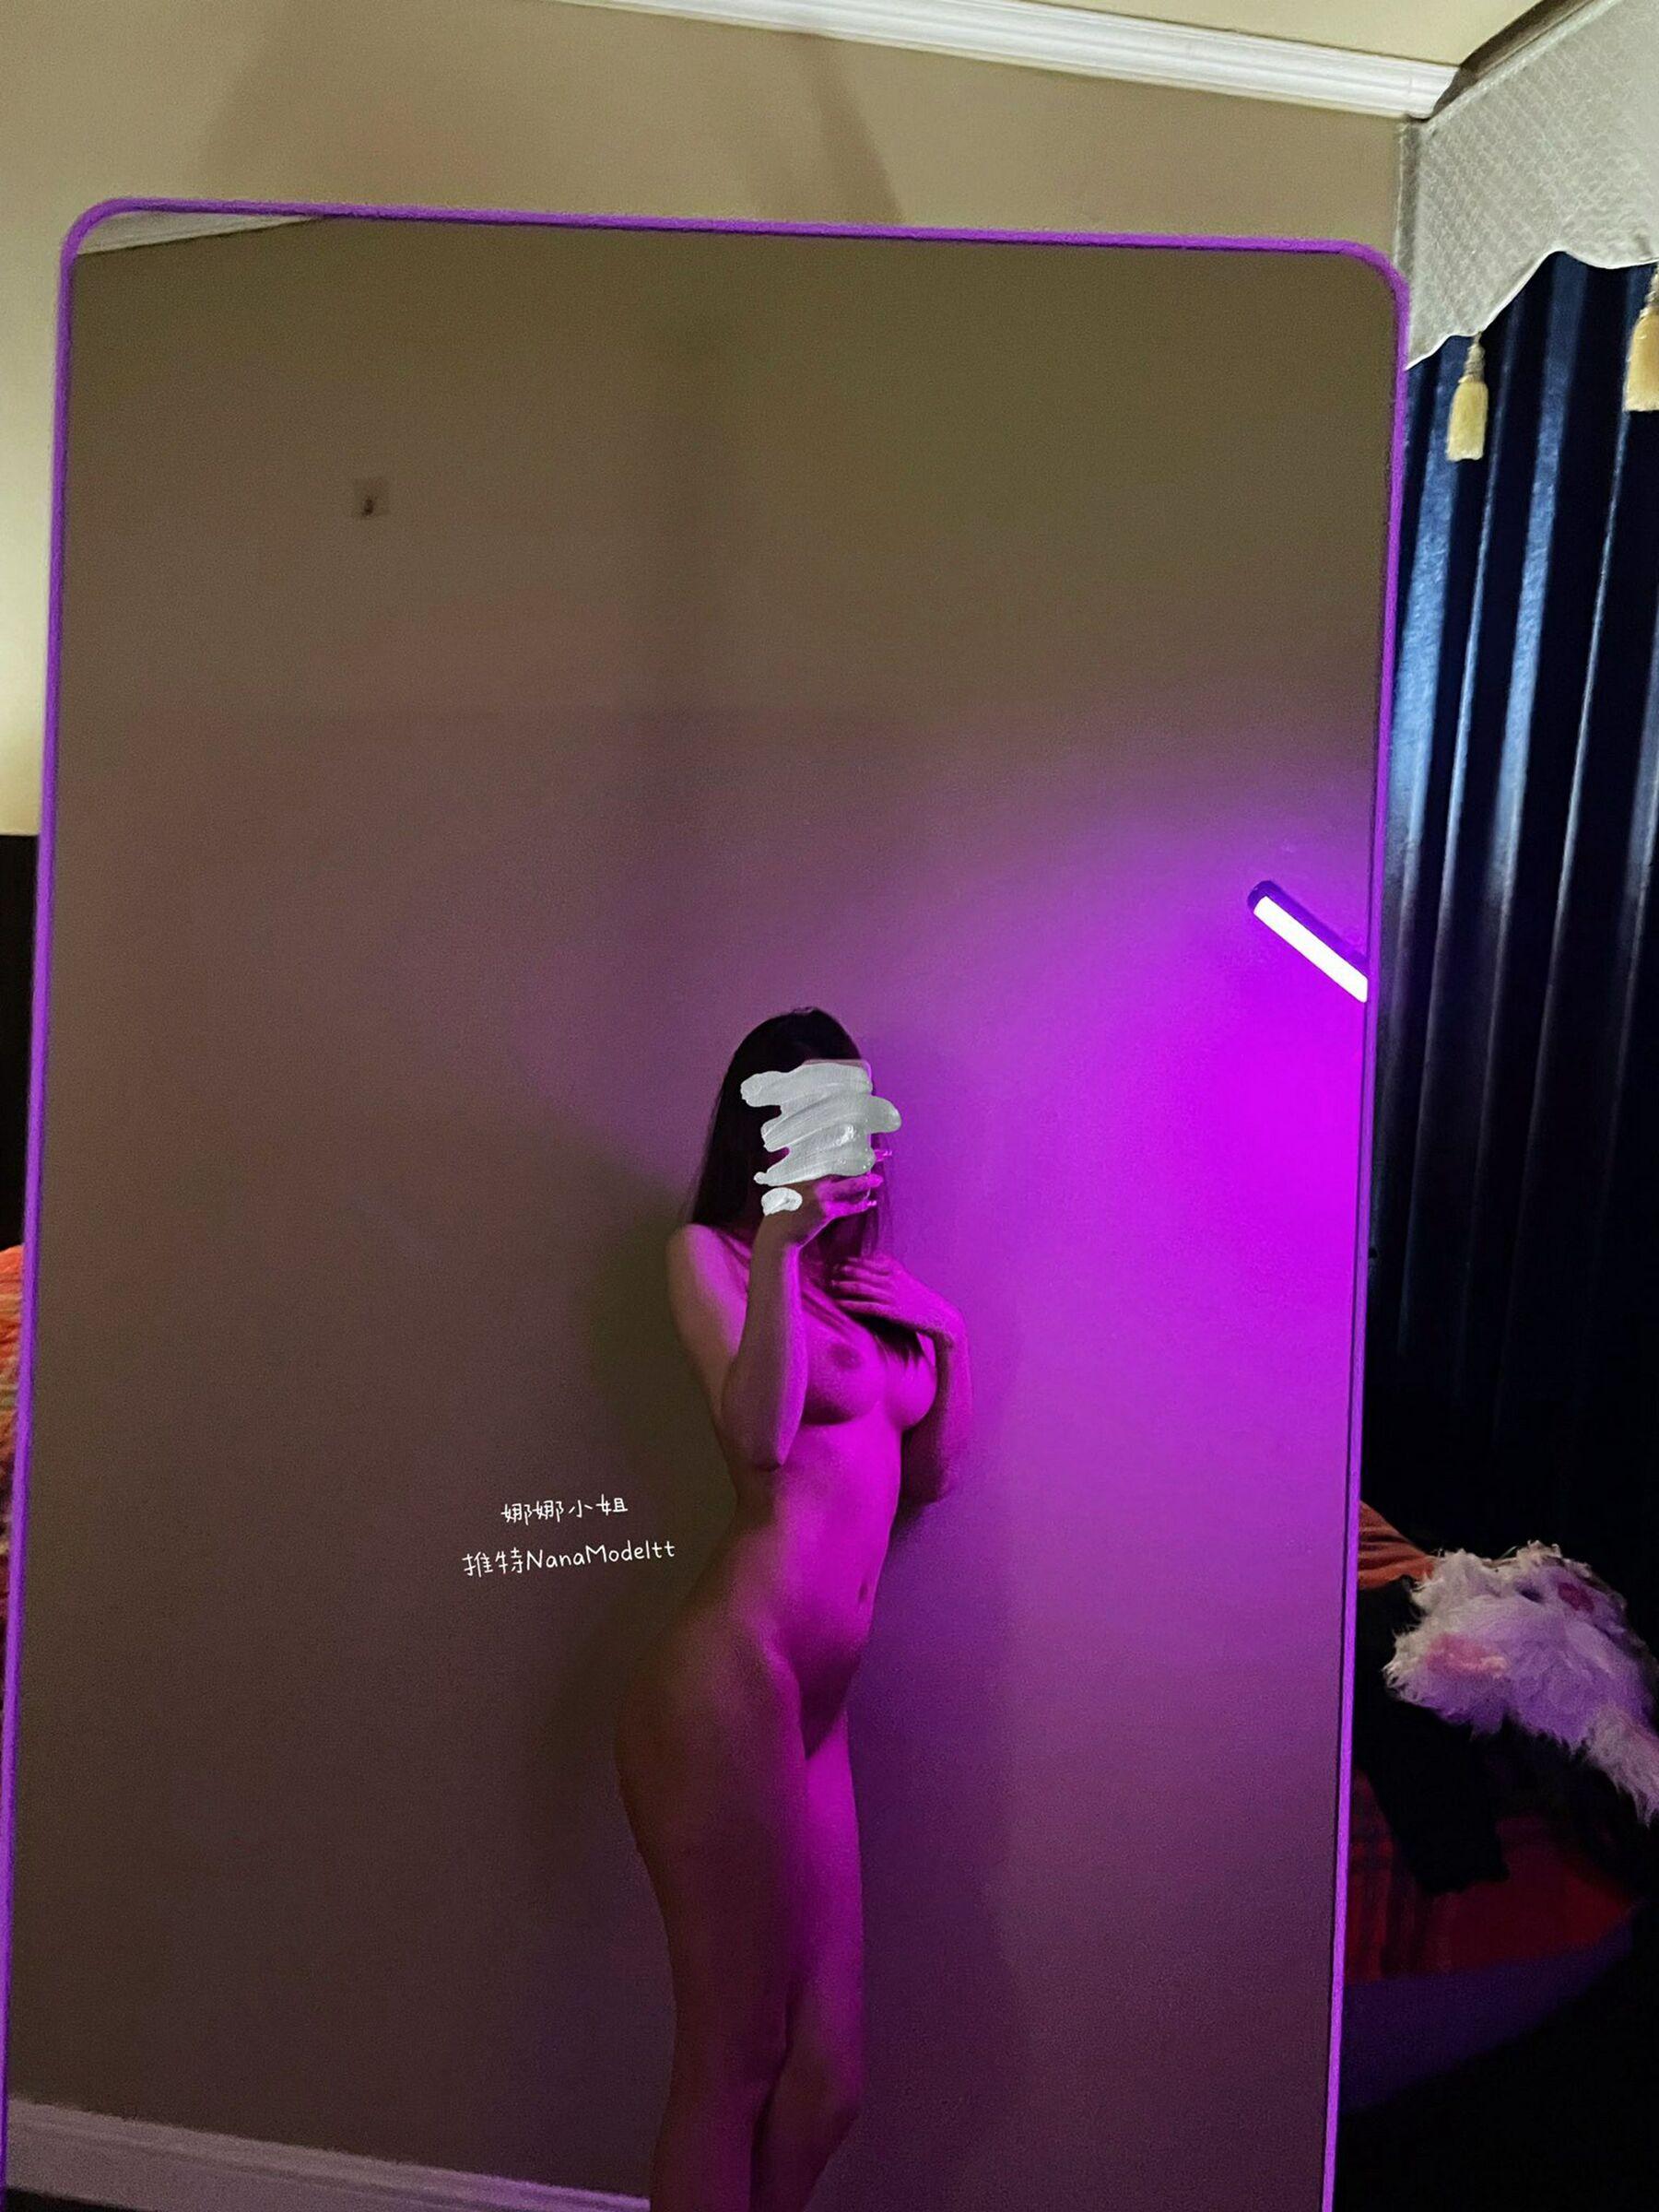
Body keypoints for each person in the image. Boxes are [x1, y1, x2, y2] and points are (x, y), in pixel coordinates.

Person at [616, 1008, 972, 2212]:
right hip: (733, 1677)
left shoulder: (866, 1292)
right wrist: (776, 1245)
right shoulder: (710, 1255)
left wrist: (947, 1336)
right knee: (734, 2059)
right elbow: (758, 1444)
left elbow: (928, 1479)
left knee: (828, 2081)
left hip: (821, 1705)